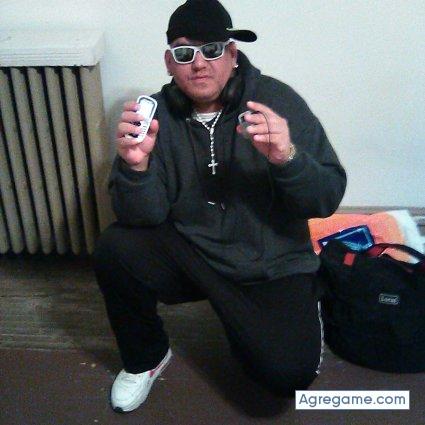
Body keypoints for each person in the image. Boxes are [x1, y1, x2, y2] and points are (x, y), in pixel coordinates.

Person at [93, 0, 347, 414]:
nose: (198, 64)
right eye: (184, 53)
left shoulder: (276, 101)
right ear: (169, 63)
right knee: (115, 247)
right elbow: (143, 218)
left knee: (285, 378)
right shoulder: (155, 116)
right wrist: (135, 168)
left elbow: (326, 198)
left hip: (270, 264)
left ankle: (297, 306)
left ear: (232, 54)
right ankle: (147, 358)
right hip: (195, 255)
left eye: (211, 50)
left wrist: (287, 158)